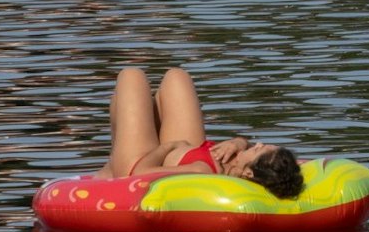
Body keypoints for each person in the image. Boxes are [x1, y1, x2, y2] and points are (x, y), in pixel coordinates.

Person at [87, 67, 304, 199]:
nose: (258, 143)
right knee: (176, 76)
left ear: (248, 173)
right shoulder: (241, 160)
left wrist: (168, 146)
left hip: (143, 160)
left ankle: (113, 165)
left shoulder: (202, 170)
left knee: (132, 76)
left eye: (258, 149)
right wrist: (239, 142)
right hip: (186, 149)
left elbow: (139, 174)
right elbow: (267, 161)